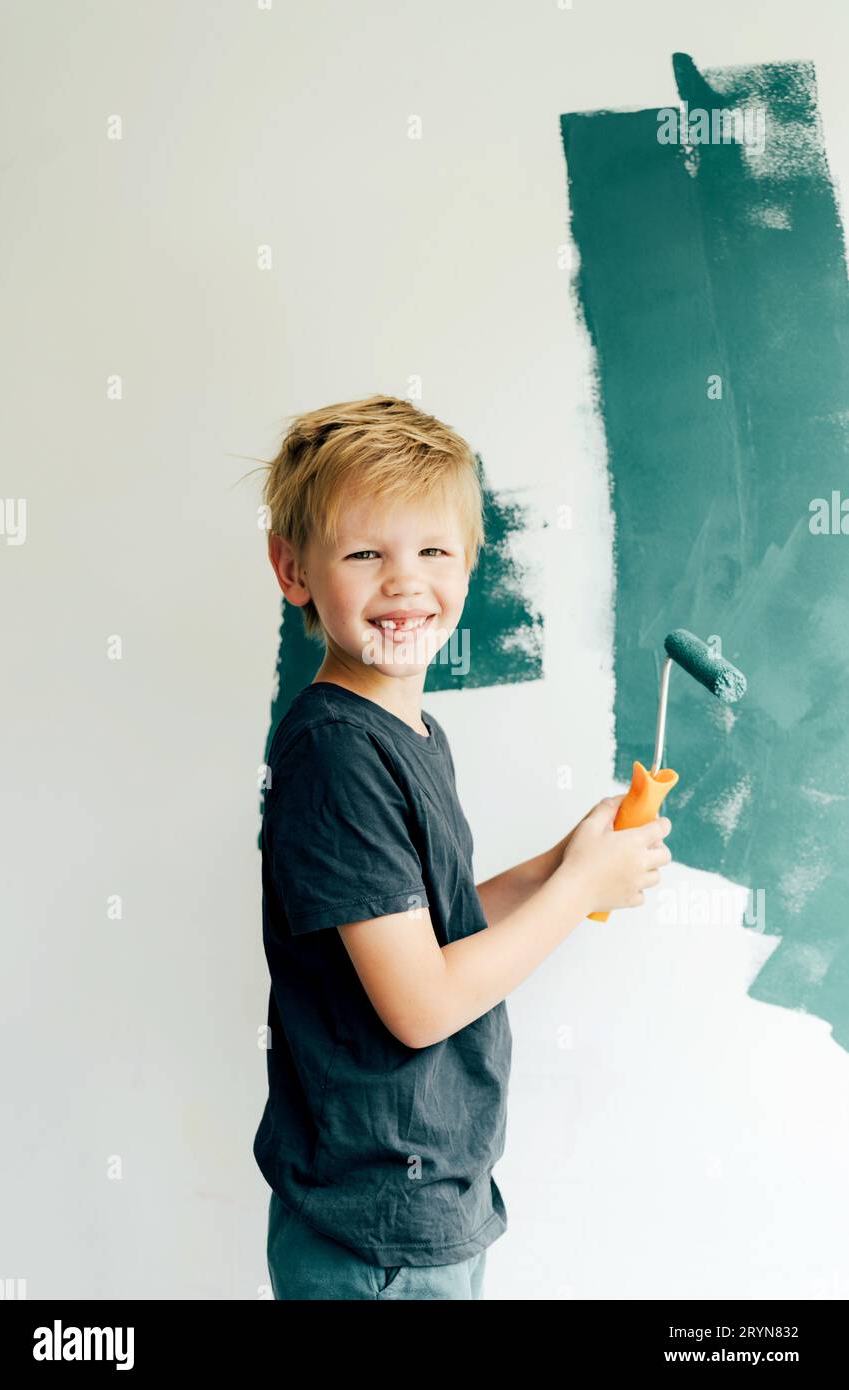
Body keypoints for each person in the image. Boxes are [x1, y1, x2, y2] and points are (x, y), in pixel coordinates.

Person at [251, 395, 672, 1299]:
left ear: (471, 566)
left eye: (433, 551)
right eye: (366, 554)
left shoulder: (408, 733)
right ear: (295, 570)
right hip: (377, 1233)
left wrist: (568, 861)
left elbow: (431, 925)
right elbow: (420, 1003)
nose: (405, 583)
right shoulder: (336, 754)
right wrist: (575, 893)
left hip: (425, 1203)